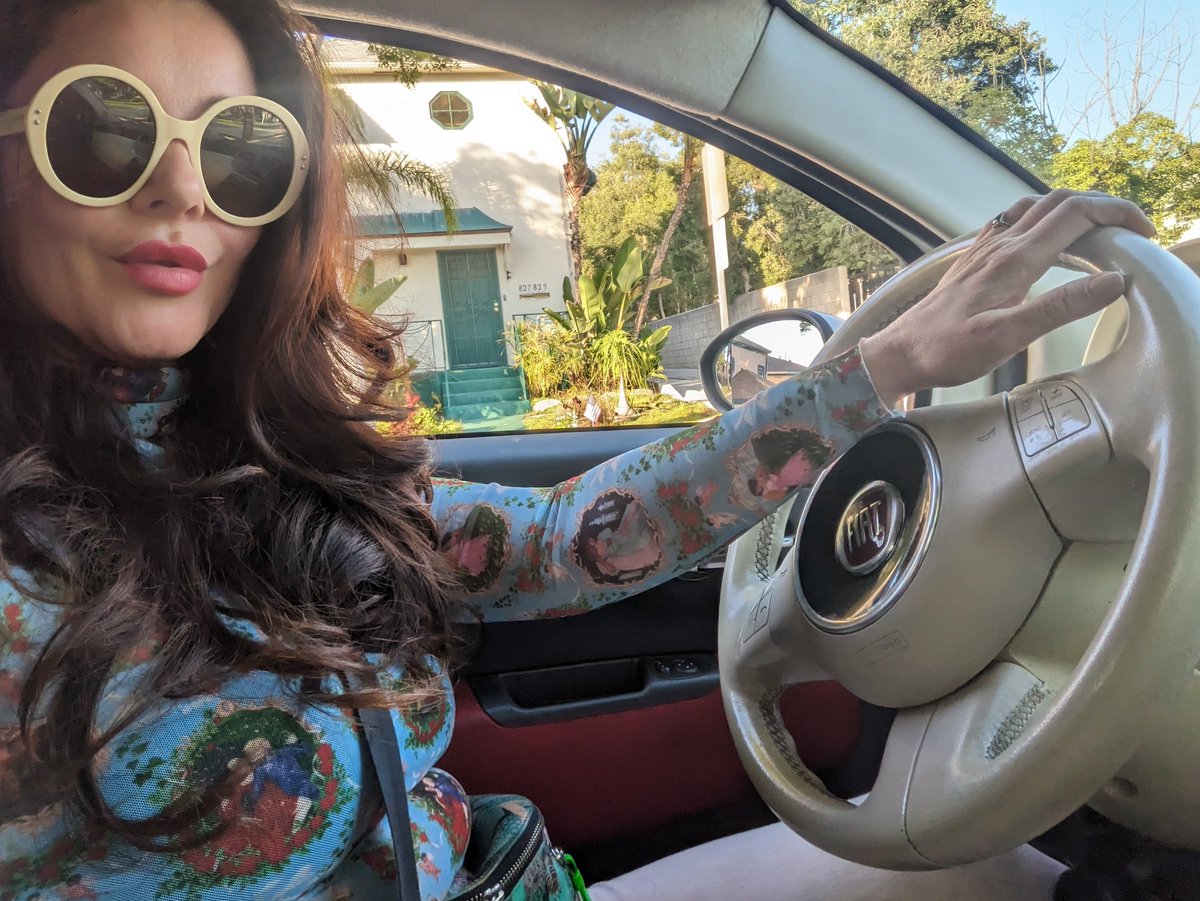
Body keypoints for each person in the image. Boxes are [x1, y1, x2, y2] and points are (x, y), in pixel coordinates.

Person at [0, 0, 1156, 898]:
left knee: (989, 872)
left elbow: (572, 540)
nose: (182, 187)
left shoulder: (264, 463)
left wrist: (884, 368)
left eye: (241, 148)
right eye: (104, 128)